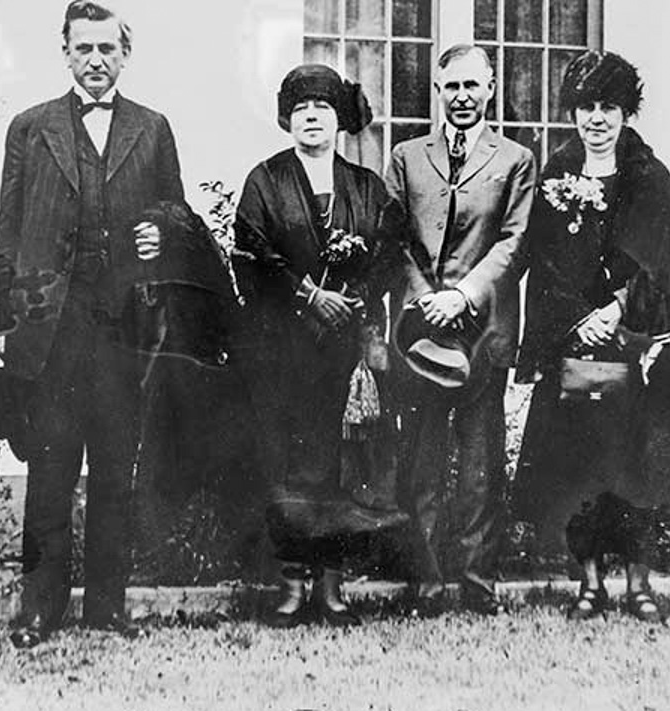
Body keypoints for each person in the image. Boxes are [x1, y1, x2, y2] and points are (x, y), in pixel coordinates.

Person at [0, 0, 185, 646]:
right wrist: (3, 321)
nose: (96, 61)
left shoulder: (153, 128)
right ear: (65, 51)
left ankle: (108, 604)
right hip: (50, 328)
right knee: (49, 469)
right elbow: (8, 229)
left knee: (113, 470)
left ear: (125, 53)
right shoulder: (30, 127)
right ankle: (39, 607)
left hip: (125, 329)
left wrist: (162, 234)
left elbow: (175, 216)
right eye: (84, 48)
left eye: (108, 49)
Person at [234, 63, 407, 628]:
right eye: (302, 108)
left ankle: (332, 586)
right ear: (288, 118)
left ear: (340, 120)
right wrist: (307, 295)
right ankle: (290, 583)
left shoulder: (367, 186)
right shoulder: (265, 180)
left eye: (323, 108)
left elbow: (387, 255)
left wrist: (352, 299)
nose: (312, 117)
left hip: (344, 352)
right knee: (285, 461)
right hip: (281, 348)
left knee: (339, 463)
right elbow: (251, 251)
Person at [513, 51, 670, 623]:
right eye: (587, 106)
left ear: (626, 110)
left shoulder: (648, 176)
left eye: (609, 106)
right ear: (573, 112)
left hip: (636, 344)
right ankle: (589, 583)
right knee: (577, 468)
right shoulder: (557, 172)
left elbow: (659, 260)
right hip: (574, 343)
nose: (597, 119)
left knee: (636, 466)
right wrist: (576, 320)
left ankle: (640, 585)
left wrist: (616, 310)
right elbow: (543, 261)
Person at [384, 44, 535, 616]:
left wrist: (463, 294)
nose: (463, 97)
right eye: (452, 87)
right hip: (420, 332)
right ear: (438, 92)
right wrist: (427, 299)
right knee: (420, 462)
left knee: (480, 466)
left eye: (474, 86)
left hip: (482, 331)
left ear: (491, 88)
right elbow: (393, 236)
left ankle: (477, 584)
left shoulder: (515, 158)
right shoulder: (406, 156)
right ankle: (424, 581)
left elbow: (515, 242)